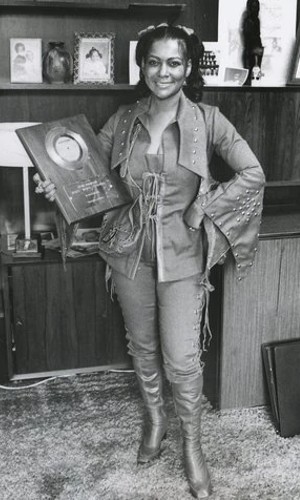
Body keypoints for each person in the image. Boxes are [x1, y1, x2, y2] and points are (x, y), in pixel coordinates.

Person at [34, 24, 265, 499]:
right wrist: (56, 187)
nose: (164, 71)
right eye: (155, 61)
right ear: (142, 66)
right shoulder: (123, 120)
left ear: (187, 68)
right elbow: (86, 175)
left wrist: (206, 206)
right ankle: (156, 418)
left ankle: (193, 448)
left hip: (183, 258)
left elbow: (252, 172)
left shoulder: (208, 120)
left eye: (174, 62)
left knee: (182, 358)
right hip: (127, 253)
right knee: (142, 347)